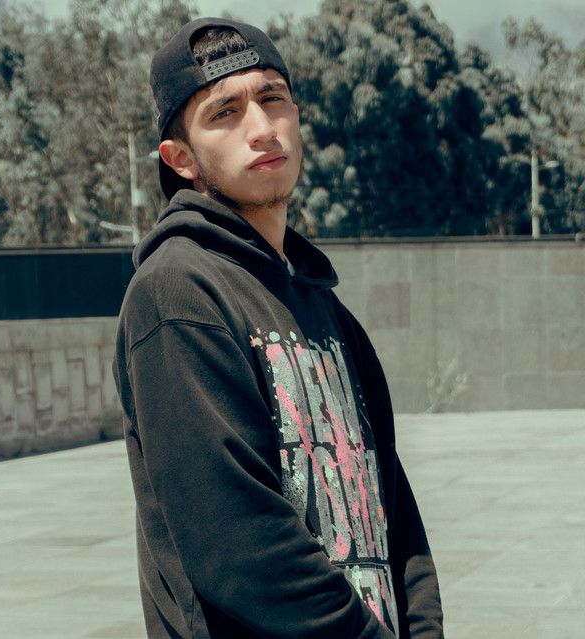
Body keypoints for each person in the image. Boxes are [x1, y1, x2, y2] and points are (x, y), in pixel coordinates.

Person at [113, 17, 444, 639]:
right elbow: (237, 543)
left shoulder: (324, 307)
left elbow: (394, 510)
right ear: (180, 159)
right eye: (225, 112)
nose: (262, 127)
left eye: (272, 98)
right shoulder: (176, 293)